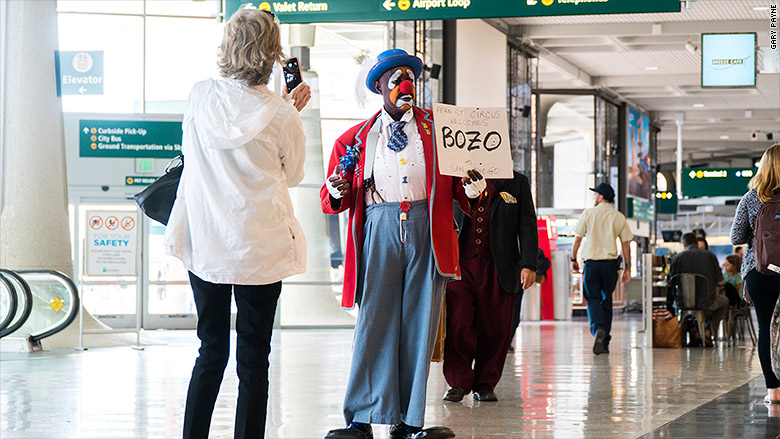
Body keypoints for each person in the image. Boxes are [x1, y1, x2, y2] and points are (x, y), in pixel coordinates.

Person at [321, 48, 485, 439]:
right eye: (395, 78)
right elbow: (331, 199)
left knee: (420, 324)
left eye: (409, 76)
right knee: (374, 322)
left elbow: (463, 188)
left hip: (428, 228)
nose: (404, 84)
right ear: (379, 86)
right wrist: (333, 188)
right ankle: (360, 418)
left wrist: (475, 190)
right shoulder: (355, 137)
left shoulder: (440, 132)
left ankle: (408, 422)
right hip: (378, 225)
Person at [164, 9, 312, 439]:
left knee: (210, 350)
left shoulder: (199, 95)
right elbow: (296, 174)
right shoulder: (283, 115)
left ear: (228, 47)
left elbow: (192, 151)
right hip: (260, 250)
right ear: (272, 54)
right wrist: (289, 107)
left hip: (206, 243)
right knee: (254, 358)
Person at [442, 171, 538, 403]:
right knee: (457, 323)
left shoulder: (517, 182)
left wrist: (529, 264)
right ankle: (458, 381)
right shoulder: (455, 176)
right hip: (460, 264)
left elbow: (527, 222)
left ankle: (485, 383)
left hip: (500, 265)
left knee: (495, 327)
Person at [730, 143, 780, 405]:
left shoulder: (751, 198)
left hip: (760, 272)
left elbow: (736, 237)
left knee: (765, 330)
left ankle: (774, 391)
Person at [570, 183, 633, 355]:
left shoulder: (588, 214)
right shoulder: (618, 217)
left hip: (592, 264)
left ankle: (597, 329)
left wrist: (573, 258)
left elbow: (577, 240)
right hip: (610, 266)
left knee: (593, 299)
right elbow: (625, 244)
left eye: (595, 194)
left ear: (600, 197)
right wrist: (628, 268)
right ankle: (604, 343)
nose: (593, 198)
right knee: (607, 301)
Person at [667, 232, 729, 345]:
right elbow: (720, 282)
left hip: (683, 303)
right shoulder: (710, 256)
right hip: (707, 302)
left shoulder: (677, 258)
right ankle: (708, 331)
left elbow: (669, 283)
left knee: (680, 308)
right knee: (724, 302)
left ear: (684, 245)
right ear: (696, 243)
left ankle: (692, 331)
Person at [508, 248, 550, 352]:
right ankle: (506, 342)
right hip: (518, 275)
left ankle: (502, 342)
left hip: (503, 274)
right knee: (514, 310)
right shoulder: (530, 247)